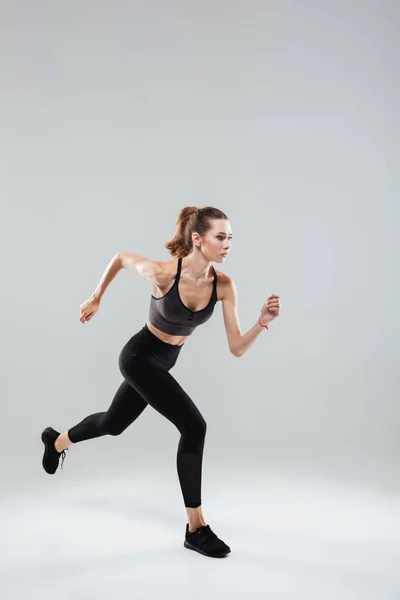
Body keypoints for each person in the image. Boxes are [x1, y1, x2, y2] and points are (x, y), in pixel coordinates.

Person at [41, 206, 280, 558]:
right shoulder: (165, 274)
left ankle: (57, 440)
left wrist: (261, 323)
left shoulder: (225, 287)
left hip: (164, 362)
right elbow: (122, 258)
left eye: (230, 238)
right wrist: (96, 297)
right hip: (139, 357)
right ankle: (195, 527)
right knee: (194, 426)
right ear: (198, 240)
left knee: (113, 423)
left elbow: (236, 348)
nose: (228, 244)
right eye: (220, 237)